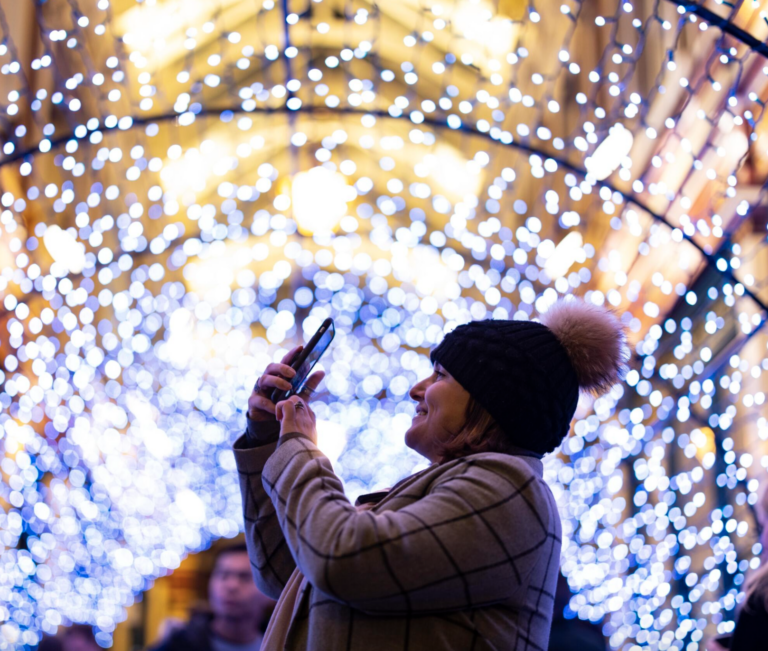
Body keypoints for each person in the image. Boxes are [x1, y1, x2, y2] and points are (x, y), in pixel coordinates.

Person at [235, 298, 626, 650]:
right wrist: (267, 436)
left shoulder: (509, 488)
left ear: (491, 401)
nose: (417, 389)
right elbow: (286, 572)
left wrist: (299, 449)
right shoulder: (453, 484)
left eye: (440, 375)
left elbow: (340, 561)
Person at [150, 544, 274, 651]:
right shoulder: (176, 646)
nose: (231, 586)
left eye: (245, 577)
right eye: (223, 575)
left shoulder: (282, 643)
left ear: (269, 590)